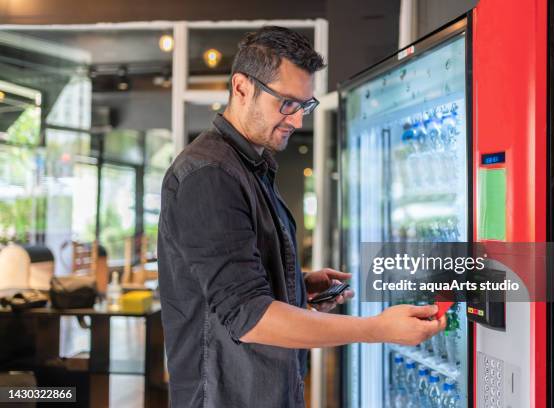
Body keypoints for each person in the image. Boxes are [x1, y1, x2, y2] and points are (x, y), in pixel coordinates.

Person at [157, 26, 446, 408]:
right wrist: (375, 329)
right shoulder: (209, 175)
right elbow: (249, 316)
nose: (297, 121)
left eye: (304, 106)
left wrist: (294, 283)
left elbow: (231, 280)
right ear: (242, 88)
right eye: (287, 104)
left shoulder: (250, 166)